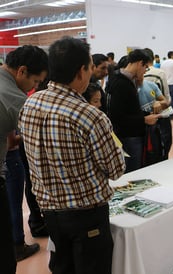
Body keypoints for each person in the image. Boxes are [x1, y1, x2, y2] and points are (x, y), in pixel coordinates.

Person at [19, 37, 126, 274]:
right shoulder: (90, 116)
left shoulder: (31, 103)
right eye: (90, 67)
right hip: (86, 215)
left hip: (50, 212)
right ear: (81, 72)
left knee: (62, 267)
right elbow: (116, 170)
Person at [0, 45, 48, 272]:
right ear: (21, 71)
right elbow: (48, 134)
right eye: (36, 82)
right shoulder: (14, 98)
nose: (35, 87)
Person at [106, 48, 159, 172]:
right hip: (128, 137)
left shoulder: (120, 78)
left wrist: (146, 114)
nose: (145, 72)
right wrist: (144, 120)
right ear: (140, 63)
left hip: (130, 135)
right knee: (132, 172)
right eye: (145, 67)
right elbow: (117, 116)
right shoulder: (121, 83)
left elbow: (129, 109)